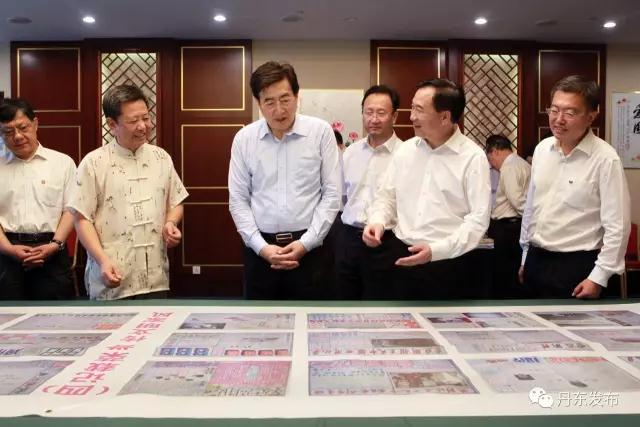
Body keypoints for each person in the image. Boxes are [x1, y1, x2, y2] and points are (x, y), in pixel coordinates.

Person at [363, 78, 491, 299]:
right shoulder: (406, 151)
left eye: (419, 110)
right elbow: (387, 197)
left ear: (445, 117)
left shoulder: (472, 157)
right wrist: (377, 221)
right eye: (412, 107)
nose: (412, 116)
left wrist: (436, 251)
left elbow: (478, 220)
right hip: (401, 255)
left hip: (448, 263)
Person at [228, 61, 341, 300]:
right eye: (269, 102)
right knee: (261, 320)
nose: (279, 110)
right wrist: (261, 247)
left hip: (312, 251)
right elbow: (238, 199)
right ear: (258, 102)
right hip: (261, 252)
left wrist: (306, 243)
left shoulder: (320, 133)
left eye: (285, 99)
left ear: (297, 97)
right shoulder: (244, 139)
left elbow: (332, 195)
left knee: (313, 318)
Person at [69, 84, 188, 300]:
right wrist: (103, 261)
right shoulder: (94, 163)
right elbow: (81, 218)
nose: (143, 126)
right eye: (134, 121)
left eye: (146, 118)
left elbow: (176, 201)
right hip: (112, 275)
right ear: (112, 124)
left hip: (155, 277)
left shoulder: (161, 157)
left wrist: (171, 223)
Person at [520, 75, 630, 299]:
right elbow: (531, 208)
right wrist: (525, 256)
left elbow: (617, 226)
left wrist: (598, 277)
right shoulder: (542, 149)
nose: (559, 119)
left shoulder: (605, 159)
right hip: (537, 260)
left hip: (578, 267)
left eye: (570, 113)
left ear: (591, 116)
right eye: (554, 110)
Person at [0, 98, 76, 300]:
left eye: (23, 128)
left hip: (52, 249)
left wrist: (55, 244)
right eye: (8, 132)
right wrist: (8, 249)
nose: (17, 136)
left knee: (57, 314)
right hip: (7, 254)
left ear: (35, 124)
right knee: (7, 315)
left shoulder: (62, 163)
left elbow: (71, 209)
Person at [337, 84, 402, 299]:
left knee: (382, 305)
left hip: (388, 242)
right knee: (345, 302)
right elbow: (342, 197)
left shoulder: (406, 155)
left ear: (394, 116)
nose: (374, 119)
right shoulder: (351, 153)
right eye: (369, 112)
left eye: (381, 113)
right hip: (349, 240)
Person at [485, 134, 531, 297]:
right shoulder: (522, 163)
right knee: (512, 271)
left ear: (495, 151)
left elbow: (516, 200)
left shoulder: (509, 166)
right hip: (516, 226)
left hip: (508, 228)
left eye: (490, 159)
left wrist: (531, 218)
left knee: (505, 274)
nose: (492, 165)